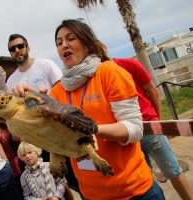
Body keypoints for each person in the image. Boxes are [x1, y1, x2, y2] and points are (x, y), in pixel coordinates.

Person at [14, 19, 165, 199]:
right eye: (59, 42)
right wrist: (27, 104)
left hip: (134, 191)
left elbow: (134, 128)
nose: (64, 45)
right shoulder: (58, 91)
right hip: (91, 194)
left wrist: (91, 129)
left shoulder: (109, 72)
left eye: (71, 38)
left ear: (87, 43)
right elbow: (48, 134)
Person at [108, 54, 193, 200]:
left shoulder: (127, 64)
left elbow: (152, 90)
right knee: (146, 180)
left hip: (148, 127)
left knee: (173, 170)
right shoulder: (99, 76)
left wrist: (155, 121)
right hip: (128, 135)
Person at [0, 113, 25, 195]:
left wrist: (5, 121)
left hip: (15, 162)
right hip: (0, 166)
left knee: (21, 188)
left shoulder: (5, 126)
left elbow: (16, 139)